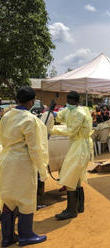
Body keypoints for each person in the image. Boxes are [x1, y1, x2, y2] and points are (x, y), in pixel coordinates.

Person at [0, 86, 49, 246]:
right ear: (32, 101)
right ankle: (26, 235)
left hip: (6, 161)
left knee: (8, 199)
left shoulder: (6, 116)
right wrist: (42, 170)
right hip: (22, 164)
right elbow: (35, 148)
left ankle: (7, 237)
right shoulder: (30, 119)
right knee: (26, 199)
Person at [50, 91, 93, 220]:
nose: (68, 103)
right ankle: (79, 206)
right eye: (67, 101)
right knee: (76, 176)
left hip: (80, 146)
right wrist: (52, 112)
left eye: (70, 101)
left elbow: (71, 131)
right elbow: (60, 116)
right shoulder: (70, 110)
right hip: (75, 145)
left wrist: (52, 130)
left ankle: (71, 210)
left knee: (69, 175)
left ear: (76, 101)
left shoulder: (80, 113)